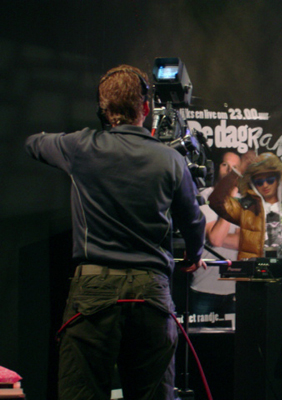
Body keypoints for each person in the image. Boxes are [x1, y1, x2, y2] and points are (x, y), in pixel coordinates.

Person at [25, 65, 206, 400]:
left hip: (94, 289)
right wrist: (193, 257)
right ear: (146, 108)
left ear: (104, 111)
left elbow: (34, 144)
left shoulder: (79, 147)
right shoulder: (171, 160)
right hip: (151, 291)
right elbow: (194, 222)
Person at [208, 150, 282, 259]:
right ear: (253, 184)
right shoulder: (247, 209)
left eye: (270, 180)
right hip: (257, 268)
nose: (265, 185)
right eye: (259, 182)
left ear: (279, 179)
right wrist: (239, 170)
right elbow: (216, 201)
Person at [190, 151, 241, 319]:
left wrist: (216, 236)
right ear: (218, 167)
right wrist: (229, 199)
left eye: (235, 167)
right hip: (204, 287)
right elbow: (216, 239)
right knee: (199, 336)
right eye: (225, 165)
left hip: (233, 289)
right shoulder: (204, 196)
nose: (230, 171)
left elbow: (243, 242)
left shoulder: (244, 201)